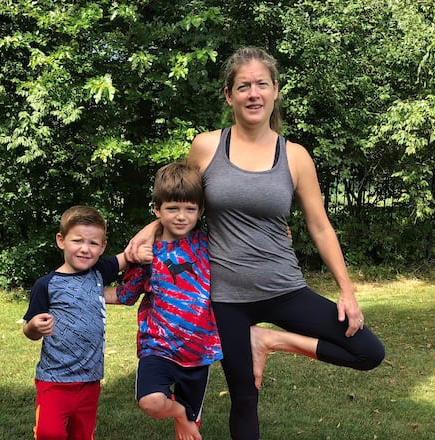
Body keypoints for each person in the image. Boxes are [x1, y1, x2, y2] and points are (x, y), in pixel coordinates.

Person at [125, 46, 385, 439]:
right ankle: (255, 339)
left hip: (284, 288)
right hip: (226, 299)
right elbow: (180, 205)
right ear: (229, 95)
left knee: (368, 351)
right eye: (243, 86)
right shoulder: (207, 146)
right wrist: (148, 231)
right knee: (244, 399)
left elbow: (320, 227)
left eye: (261, 84)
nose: (253, 93)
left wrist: (346, 291)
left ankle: (270, 339)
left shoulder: (295, 156)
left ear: (275, 90)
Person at [115, 162, 223, 440]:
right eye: (172, 208)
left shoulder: (209, 244)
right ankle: (179, 413)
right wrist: (79, 290)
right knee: (151, 401)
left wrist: (274, 237)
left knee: (189, 433)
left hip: (199, 351)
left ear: (200, 211)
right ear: (157, 210)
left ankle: (186, 419)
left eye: (190, 209)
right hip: (158, 347)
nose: (181, 216)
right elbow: (126, 294)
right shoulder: (146, 254)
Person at [22, 205, 130, 440]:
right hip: (54, 381)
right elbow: (29, 330)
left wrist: (156, 234)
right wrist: (34, 327)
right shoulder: (46, 284)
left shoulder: (99, 273)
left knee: (82, 435)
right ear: (61, 240)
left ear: (102, 246)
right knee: (50, 434)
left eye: (93, 243)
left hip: (90, 380)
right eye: (77, 241)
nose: (85, 249)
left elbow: (128, 255)